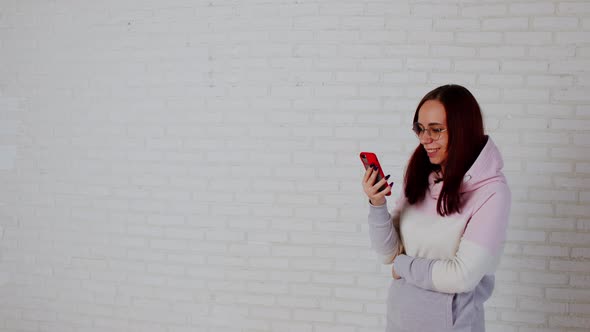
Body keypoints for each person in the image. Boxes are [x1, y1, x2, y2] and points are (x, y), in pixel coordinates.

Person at [361, 84, 511, 332]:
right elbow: (388, 253)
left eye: (436, 130)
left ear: (463, 130)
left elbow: (461, 276)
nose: (424, 139)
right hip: (400, 321)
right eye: (420, 129)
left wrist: (403, 266)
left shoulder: (492, 193)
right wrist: (377, 205)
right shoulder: (422, 177)